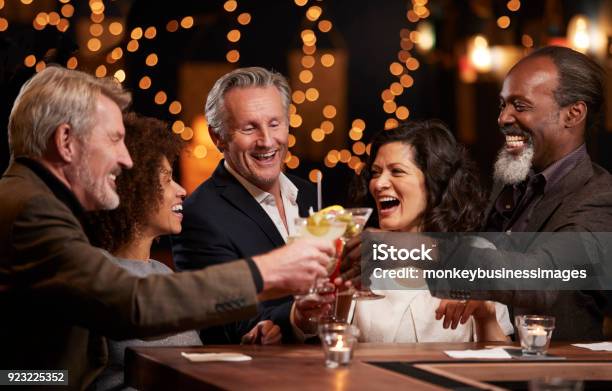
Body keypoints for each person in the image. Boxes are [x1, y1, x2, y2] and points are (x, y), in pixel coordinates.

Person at [0, 66, 333, 389]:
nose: (126, 159)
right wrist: (265, 273)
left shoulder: (28, 197)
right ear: (66, 140)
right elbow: (132, 303)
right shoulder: (32, 208)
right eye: (114, 139)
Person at [87, 113, 281, 390]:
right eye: (166, 179)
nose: (181, 191)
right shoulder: (93, 274)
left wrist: (247, 346)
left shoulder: (162, 272)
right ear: (131, 187)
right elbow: (28, 376)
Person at [435, 46, 612, 340]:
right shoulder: (508, 182)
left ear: (573, 114)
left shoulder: (600, 198)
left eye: (520, 105)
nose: (503, 118)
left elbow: (541, 277)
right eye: (502, 105)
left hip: (552, 379)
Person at [172, 67, 328, 343]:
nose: (267, 141)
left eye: (275, 124)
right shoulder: (200, 215)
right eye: (249, 127)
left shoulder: (308, 194)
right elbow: (230, 321)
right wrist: (295, 317)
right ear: (218, 137)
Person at [349, 120, 513, 342]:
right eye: (376, 173)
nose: (378, 184)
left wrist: (486, 316)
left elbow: (502, 365)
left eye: (397, 171)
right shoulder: (360, 254)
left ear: (434, 183)